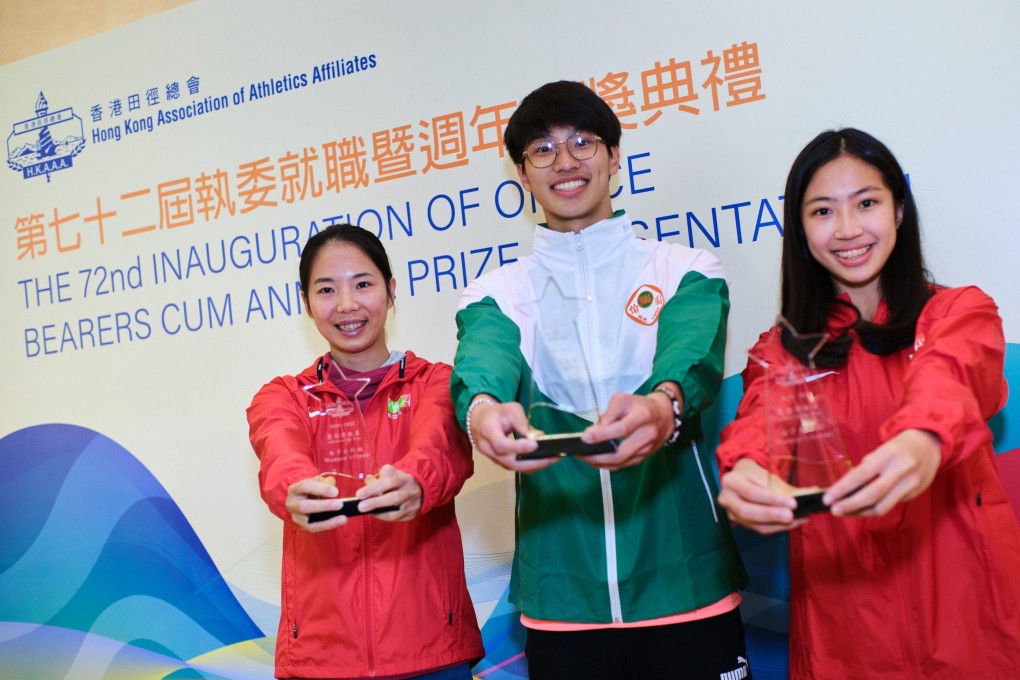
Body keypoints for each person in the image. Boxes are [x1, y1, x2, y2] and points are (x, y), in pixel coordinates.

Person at [450, 80, 751, 680]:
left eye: (583, 142)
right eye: (543, 149)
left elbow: (688, 357)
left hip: (686, 584)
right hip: (563, 605)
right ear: (521, 172)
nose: (565, 162)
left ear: (615, 157)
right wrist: (482, 410)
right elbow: (482, 361)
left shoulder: (685, 268)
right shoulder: (498, 292)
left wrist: (663, 407)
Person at [716, 128, 1020, 678]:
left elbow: (952, 376)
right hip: (845, 638)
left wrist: (923, 437)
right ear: (800, 230)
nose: (849, 229)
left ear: (899, 210)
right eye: (823, 211)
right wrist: (745, 475)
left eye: (867, 203)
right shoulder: (783, 351)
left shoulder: (958, 312)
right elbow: (757, 429)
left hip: (975, 626)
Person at [247, 224, 484, 679]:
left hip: (430, 650)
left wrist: (415, 479)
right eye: (326, 290)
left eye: (363, 284)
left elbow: (441, 447)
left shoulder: (435, 382)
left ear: (391, 291)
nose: (347, 305)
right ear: (306, 302)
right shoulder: (284, 396)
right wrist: (295, 487)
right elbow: (279, 449)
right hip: (321, 657)